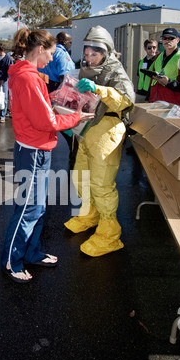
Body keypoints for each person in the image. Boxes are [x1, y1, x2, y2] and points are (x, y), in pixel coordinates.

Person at [0, 27, 93, 283]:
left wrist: (55, 99)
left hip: (36, 148)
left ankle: (31, 253)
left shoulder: (28, 76)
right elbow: (46, 121)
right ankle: (12, 260)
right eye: (51, 53)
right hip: (33, 150)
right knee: (28, 208)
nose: (52, 59)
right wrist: (76, 116)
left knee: (38, 207)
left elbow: (40, 111)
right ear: (40, 49)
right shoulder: (29, 78)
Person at [64, 25, 135, 257]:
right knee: (81, 176)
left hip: (108, 129)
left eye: (94, 54)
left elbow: (126, 100)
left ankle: (109, 233)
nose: (89, 58)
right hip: (87, 130)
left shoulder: (115, 70)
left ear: (105, 52)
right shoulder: (86, 69)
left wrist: (100, 89)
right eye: (86, 54)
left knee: (102, 184)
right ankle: (90, 214)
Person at [40, 32, 77, 168]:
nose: (70, 45)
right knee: (66, 126)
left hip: (44, 88)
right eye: (69, 42)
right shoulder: (61, 53)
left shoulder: (48, 52)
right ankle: (74, 153)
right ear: (63, 41)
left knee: (45, 124)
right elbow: (65, 78)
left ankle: (42, 152)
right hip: (57, 91)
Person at [147, 27, 180, 106]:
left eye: (171, 38)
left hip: (174, 105)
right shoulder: (158, 57)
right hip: (156, 102)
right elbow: (152, 81)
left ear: (177, 40)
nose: (167, 40)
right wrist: (148, 98)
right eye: (164, 38)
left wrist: (169, 82)